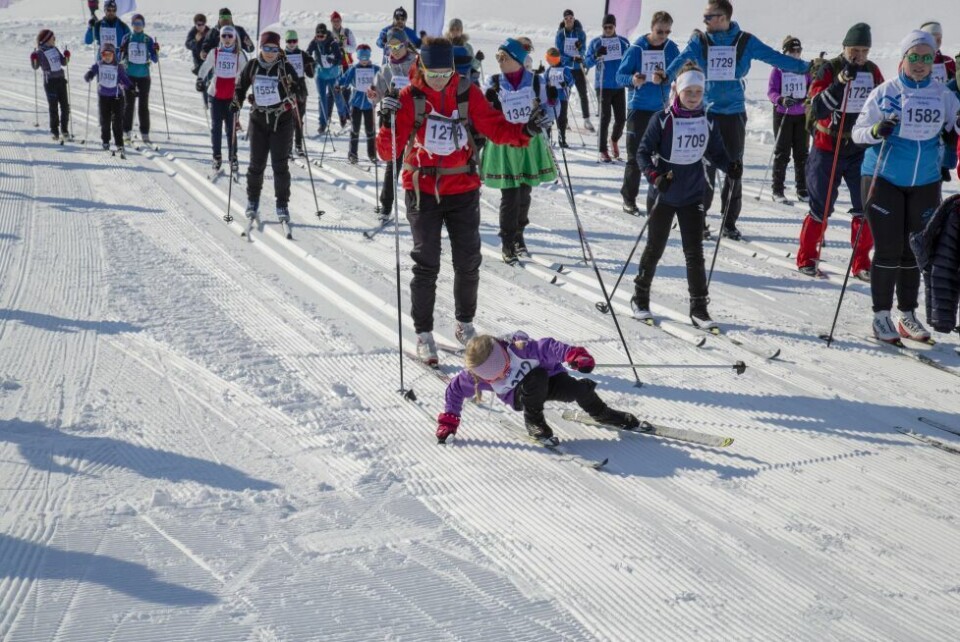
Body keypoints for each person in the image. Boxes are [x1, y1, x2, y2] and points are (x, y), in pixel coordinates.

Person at [375, 37, 545, 365]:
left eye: (445, 73)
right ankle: (424, 333)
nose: (440, 79)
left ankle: (464, 323)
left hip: (463, 187)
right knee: (427, 263)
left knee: (468, 261)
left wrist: (527, 130)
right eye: (433, 73)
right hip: (423, 189)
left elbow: (495, 128)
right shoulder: (409, 97)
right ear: (420, 67)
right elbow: (388, 152)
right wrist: (386, 123)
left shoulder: (466, 92)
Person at [661, 0, 810, 240]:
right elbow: (683, 58)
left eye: (709, 17)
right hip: (706, 112)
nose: (705, 21)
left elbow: (775, 58)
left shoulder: (745, 41)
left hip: (734, 113)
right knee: (704, 169)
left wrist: (807, 67)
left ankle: (729, 222)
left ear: (723, 17)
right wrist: (665, 75)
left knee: (733, 169)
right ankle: (698, 219)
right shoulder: (700, 41)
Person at [852, 30, 960, 343]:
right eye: (915, 57)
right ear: (904, 58)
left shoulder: (943, 95)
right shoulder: (886, 92)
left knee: (915, 249)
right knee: (888, 248)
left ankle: (907, 315)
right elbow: (858, 134)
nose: (921, 64)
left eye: (927, 58)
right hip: (883, 178)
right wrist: (876, 129)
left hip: (925, 182)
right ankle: (881, 315)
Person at [632, 63, 740, 330]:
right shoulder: (663, 119)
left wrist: (730, 166)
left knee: (694, 253)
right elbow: (642, 153)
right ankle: (640, 297)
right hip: (664, 194)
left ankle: (699, 308)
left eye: (698, 91)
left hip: (693, 194)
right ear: (677, 91)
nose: (693, 96)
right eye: (688, 91)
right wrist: (655, 176)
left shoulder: (708, 120)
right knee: (655, 248)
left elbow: (716, 153)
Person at [435, 332, 639, 444]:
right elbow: (455, 390)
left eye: (500, 365)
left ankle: (603, 414)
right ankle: (534, 423)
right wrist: (449, 421)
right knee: (536, 377)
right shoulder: (475, 376)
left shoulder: (521, 349)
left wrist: (575, 355)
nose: (500, 374)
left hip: (549, 381)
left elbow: (550, 347)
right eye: (492, 375)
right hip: (518, 396)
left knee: (577, 390)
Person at [795, 23, 883, 279]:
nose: (859, 55)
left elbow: (882, 99)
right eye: (855, 49)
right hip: (827, 146)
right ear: (844, 48)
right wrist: (841, 82)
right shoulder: (829, 68)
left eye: (864, 50)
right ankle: (808, 257)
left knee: (864, 206)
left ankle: (861, 262)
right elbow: (817, 107)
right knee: (820, 206)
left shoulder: (872, 71)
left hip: (858, 148)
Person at [482, 38, 557, 265]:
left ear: (516, 59)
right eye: (498, 57)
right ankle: (506, 241)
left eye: (503, 57)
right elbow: (484, 113)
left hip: (529, 143)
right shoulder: (493, 82)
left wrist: (546, 114)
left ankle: (519, 235)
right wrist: (491, 105)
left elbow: (549, 111)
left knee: (524, 194)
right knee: (510, 196)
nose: (500, 61)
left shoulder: (536, 82)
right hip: (505, 143)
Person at [232, 30, 300, 227]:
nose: (269, 52)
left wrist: (293, 92)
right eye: (266, 48)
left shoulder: (285, 67)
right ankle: (252, 200)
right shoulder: (253, 66)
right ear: (260, 48)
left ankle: (282, 204)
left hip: (282, 121)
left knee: (280, 165)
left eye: (273, 48)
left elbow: (300, 89)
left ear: (278, 49)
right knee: (256, 165)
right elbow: (240, 86)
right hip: (259, 120)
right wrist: (237, 101)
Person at [617, 11, 679, 215]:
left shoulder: (671, 48)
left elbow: (678, 72)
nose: (663, 35)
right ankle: (629, 198)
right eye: (659, 31)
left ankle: (660, 198)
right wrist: (633, 80)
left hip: (661, 109)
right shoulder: (636, 49)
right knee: (635, 157)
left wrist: (667, 77)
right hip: (638, 109)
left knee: (663, 157)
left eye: (667, 31)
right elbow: (620, 76)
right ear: (651, 28)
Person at [367, 32, 417, 216]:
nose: (394, 51)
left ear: (405, 45)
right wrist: (373, 94)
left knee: (416, 164)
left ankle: (419, 207)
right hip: (393, 120)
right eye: (391, 48)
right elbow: (377, 91)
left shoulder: (417, 64)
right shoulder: (386, 69)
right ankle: (386, 205)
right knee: (393, 163)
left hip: (415, 121)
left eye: (398, 47)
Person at [196, 25, 248, 174]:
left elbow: (246, 73)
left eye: (229, 36)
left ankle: (233, 158)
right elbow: (205, 67)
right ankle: (217, 157)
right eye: (224, 36)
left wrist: (245, 88)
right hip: (215, 95)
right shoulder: (215, 52)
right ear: (220, 37)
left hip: (231, 97)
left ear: (234, 38)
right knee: (216, 128)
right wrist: (200, 79)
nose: (226, 39)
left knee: (231, 129)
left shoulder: (239, 55)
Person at [766, 36, 811, 203]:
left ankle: (802, 188)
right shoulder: (778, 69)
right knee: (782, 152)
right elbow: (771, 91)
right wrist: (781, 99)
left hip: (801, 115)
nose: (796, 54)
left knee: (802, 153)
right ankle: (777, 190)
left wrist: (808, 99)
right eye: (793, 51)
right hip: (783, 114)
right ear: (785, 52)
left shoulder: (804, 68)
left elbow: (812, 88)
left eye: (799, 51)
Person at [584, 14, 630, 162]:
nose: (608, 30)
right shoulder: (597, 42)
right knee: (605, 117)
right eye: (605, 27)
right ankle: (602, 149)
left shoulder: (622, 42)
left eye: (610, 27)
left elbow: (631, 58)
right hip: (603, 85)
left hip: (618, 85)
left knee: (621, 118)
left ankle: (614, 139)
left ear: (615, 27)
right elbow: (586, 63)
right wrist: (596, 55)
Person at [921, 22, 958, 181]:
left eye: (939, 38)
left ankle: (945, 166)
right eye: (933, 37)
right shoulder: (915, 59)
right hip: (924, 114)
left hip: (945, 113)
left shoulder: (948, 62)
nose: (937, 41)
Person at [83, 43, 132, 154]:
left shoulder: (118, 66)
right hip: (104, 97)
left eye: (110, 54)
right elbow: (92, 72)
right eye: (105, 54)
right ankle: (105, 141)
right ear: (102, 55)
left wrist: (131, 87)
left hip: (117, 97)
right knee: (105, 121)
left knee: (117, 122)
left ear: (114, 55)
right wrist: (89, 74)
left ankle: (119, 144)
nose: (107, 57)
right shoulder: (99, 65)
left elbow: (124, 79)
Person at [119, 14, 159, 145]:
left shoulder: (147, 39)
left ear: (143, 25)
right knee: (129, 105)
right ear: (132, 25)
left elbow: (154, 59)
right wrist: (122, 50)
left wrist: (155, 50)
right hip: (129, 75)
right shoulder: (127, 38)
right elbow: (120, 57)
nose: (137, 26)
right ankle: (126, 132)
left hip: (144, 76)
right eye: (135, 24)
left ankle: (145, 133)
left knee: (143, 105)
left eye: (140, 24)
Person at [337, 44, 380, 164]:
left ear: (369, 57)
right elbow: (345, 79)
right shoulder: (354, 69)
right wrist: (338, 84)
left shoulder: (375, 69)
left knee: (370, 130)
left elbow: (383, 81)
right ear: (358, 58)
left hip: (369, 104)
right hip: (355, 103)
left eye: (366, 58)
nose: (364, 61)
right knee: (355, 129)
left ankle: (372, 154)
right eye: (362, 58)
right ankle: (352, 154)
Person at [554, 9, 592, 131]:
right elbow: (559, 52)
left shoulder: (580, 33)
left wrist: (580, 53)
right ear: (564, 20)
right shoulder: (560, 34)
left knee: (583, 93)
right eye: (566, 19)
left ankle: (586, 119)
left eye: (571, 18)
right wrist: (570, 59)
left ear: (573, 19)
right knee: (565, 95)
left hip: (578, 68)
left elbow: (583, 49)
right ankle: (564, 120)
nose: (569, 20)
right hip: (566, 68)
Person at [30, 29, 71, 143]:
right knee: (53, 108)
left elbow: (64, 62)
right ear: (47, 39)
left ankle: (64, 130)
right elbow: (35, 66)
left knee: (65, 107)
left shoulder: (55, 49)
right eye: (53, 38)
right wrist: (33, 58)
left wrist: (67, 56)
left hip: (61, 81)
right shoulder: (40, 52)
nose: (55, 40)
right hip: (50, 82)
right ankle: (54, 131)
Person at [307, 23, 343, 134]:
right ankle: (322, 123)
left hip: (332, 74)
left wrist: (334, 61)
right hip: (320, 75)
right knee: (322, 98)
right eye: (318, 36)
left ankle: (343, 116)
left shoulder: (333, 42)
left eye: (322, 36)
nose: (320, 38)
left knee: (337, 95)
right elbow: (308, 52)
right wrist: (310, 62)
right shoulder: (314, 42)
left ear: (326, 35)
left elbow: (339, 58)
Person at [283, 30, 315, 157]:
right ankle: (288, 147)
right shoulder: (282, 55)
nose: (291, 44)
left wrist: (310, 64)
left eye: (294, 41)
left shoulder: (302, 54)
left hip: (301, 89)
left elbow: (310, 75)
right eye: (289, 41)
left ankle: (298, 146)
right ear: (285, 42)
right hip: (287, 89)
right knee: (289, 119)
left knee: (299, 119)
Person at [544, 47, 573, 147]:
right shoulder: (548, 70)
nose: (550, 62)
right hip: (551, 98)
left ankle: (562, 140)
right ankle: (547, 138)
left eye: (552, 60)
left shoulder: (564, 69)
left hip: (562, 98)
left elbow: (571, 80)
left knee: (561, 119)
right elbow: (544, 81)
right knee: (549, 118)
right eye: (549, 60)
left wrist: (566, 83)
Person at [330, 11, 357, 121]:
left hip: (347, 64)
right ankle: (342, 113)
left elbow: (354, 47)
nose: (336, 23)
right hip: (335, 65)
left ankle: (348, 112)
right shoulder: (329, 35)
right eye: (334, 21)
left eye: (338, 20)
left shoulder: (346, 32)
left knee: (347, 89)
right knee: (336, 90)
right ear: (331, 22)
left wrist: (344, 47)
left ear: (341, 21)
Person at [446, 18, 481, 84]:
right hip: (448, 78)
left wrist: (478, 59)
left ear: (461, 31)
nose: (455, 32)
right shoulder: (444, 45)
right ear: (449, 31)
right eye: (452, 29)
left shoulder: (467, 47)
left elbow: (473, 66)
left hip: (464, 78)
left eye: (457, 29)